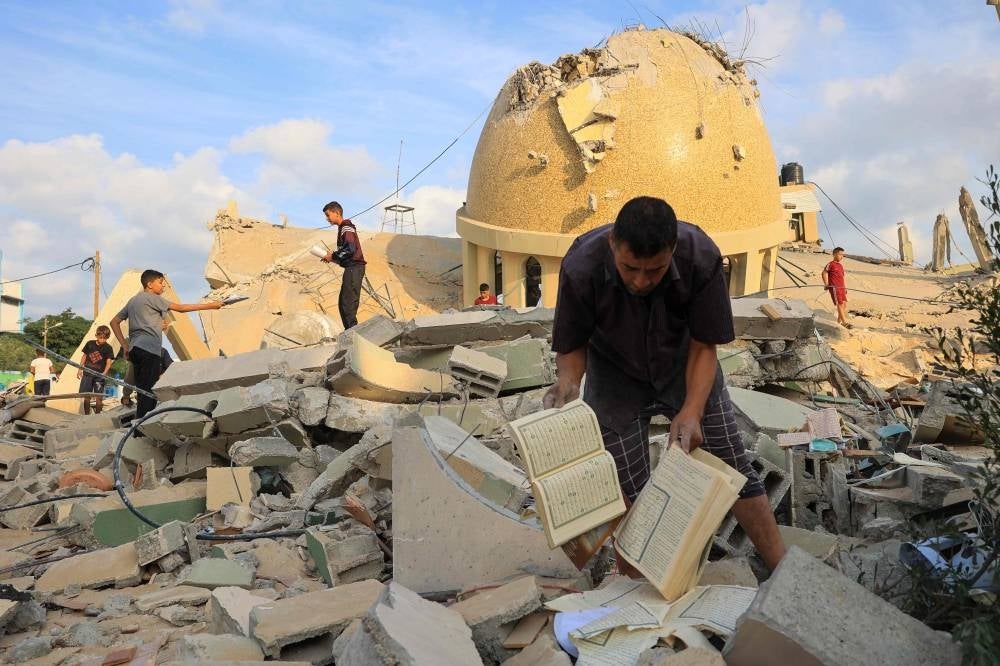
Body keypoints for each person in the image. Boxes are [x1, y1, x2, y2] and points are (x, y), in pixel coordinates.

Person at [543, 196, 785, 572]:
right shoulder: (581, 266)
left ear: (672, 250)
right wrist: (568, 382)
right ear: (612, 244)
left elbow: (704, 345)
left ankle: (781, 568)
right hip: (615, 378)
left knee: (733, 467)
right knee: (627, 488)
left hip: (685, 367)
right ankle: (637, 588)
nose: (641, 281)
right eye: (630, 268)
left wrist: (692, 410)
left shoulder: (700, 257)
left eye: (654, 270)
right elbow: (572, 346)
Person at [110, 270, 225, 419]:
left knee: (142, 391)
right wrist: (211, 305)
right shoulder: (153, 298)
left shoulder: (133, 301)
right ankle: (143, 427)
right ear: (149, 284)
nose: (163, 286)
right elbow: (181, 308)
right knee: (149, 393)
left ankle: (139, 424)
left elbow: (114, 322)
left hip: (135, 350)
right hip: (149, 350)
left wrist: (125, 346)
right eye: (160, 283)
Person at [321, 201, 366, 330]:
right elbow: (346, 252)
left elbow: (349, 249)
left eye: (328, 215)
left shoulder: (346, 227)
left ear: (336, 213)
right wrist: (333, 257)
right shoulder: (343, 228)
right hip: (351, 268)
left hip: (354, 268)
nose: (327, 218)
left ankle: (353, 334)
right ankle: (351, 332)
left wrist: (333, 256)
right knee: (343, 303)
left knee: (348, 304)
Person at [120, 320, 171, 408]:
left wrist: (162, 375)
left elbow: (170, 366)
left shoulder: (162, 352)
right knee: (133, 369)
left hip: (154, 381)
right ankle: (127, 397)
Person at [78, 325, 114, 414]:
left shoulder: (108, 348)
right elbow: (84, 356)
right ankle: (87, 415)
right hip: (87, 374)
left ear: (108, 337)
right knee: (87, 396)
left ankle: (98, 415)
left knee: (99, 397)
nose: (102, 340)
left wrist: (104, 373)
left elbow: (109, 362)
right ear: (96, 336)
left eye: (104, 338)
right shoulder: (90, 344)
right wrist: (80, 369)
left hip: (99, 376)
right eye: (100, 337)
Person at [822, 246, 852, 329]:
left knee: (844, 304)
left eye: (843, 255)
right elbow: (824, 273)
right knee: (840, 303)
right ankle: (844, 322)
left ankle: (839, 321)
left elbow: (841, 278)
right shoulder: (831, 264)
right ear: (834, 254)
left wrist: (845, 288)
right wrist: (826, 284)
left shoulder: (840, 266)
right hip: (835, 288)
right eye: (840, 254)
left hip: (842, 288)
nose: (842, 256)